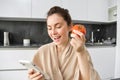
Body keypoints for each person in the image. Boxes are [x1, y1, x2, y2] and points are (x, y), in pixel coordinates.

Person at [28, 6, 101, 80]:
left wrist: (81, 52)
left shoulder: (80, 50)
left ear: (70, 26)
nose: (53, 32)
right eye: (49, 28)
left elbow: (88, 78)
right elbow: (35, 74)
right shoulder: (42, 52)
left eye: (58, 27)